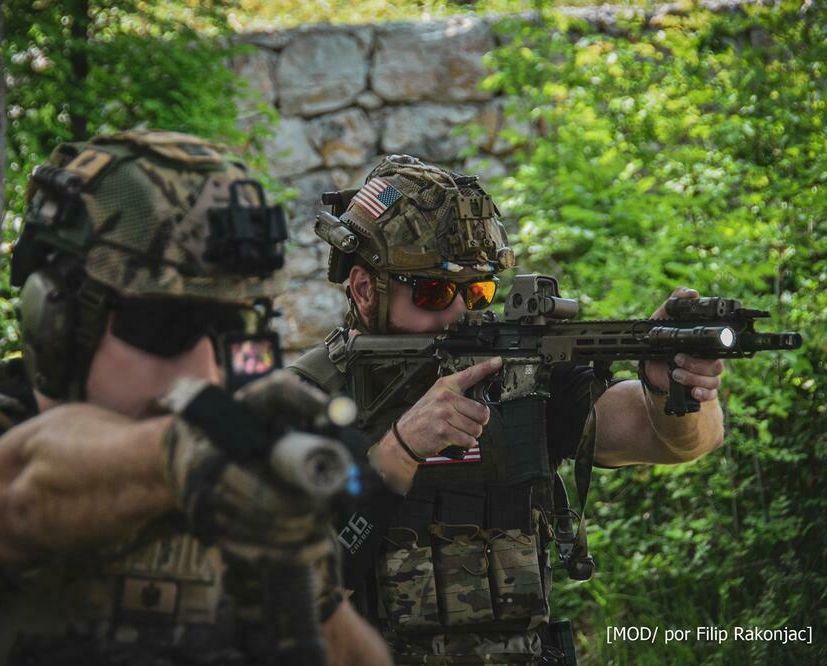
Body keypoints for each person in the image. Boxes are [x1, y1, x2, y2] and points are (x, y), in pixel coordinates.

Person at [0, 130, 391, 666]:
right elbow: (28, 486)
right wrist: (187, 457)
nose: (204, 368)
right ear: (56, 317)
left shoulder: (232, 470)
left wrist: (292, 562)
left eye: (234, 327)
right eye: (165, 326)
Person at [289, 155, 725, 665]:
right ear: (365, 290)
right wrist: (399, 450)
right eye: (434, 292)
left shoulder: (517, 376)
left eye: (477, 291)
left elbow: (669, 441)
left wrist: (674, 389)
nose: (460, 313)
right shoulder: (305, 401)